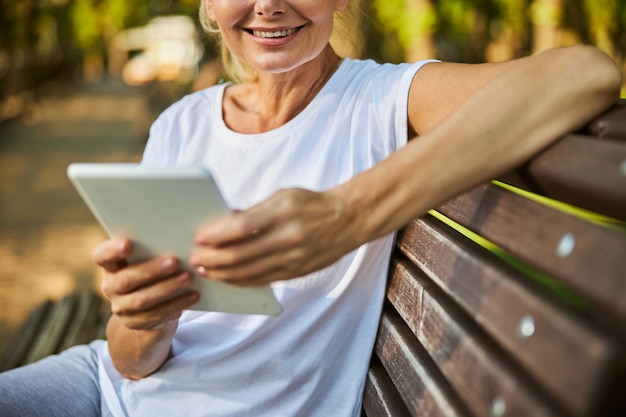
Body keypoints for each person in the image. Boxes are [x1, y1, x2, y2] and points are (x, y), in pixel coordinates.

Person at [0, 1, 622, 416]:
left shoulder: (379, 100)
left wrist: (346, 214)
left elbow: (582, 73)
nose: (268, 4)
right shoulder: (179, 125)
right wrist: (143, 320)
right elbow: (129, 363)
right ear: (211, 7)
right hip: (105, 390)